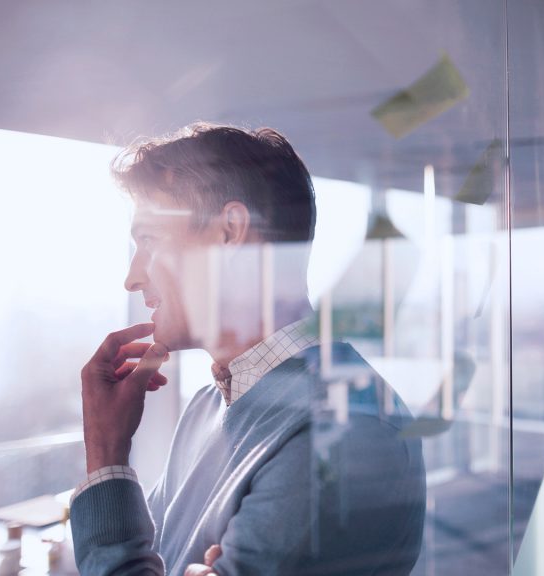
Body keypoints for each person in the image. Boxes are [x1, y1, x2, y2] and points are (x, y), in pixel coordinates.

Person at [70, 123, 426, 575]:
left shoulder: (346, 434)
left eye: (150, 241)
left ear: (230, 232)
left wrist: (105, 453)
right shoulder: (206, 408)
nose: (133, 277)